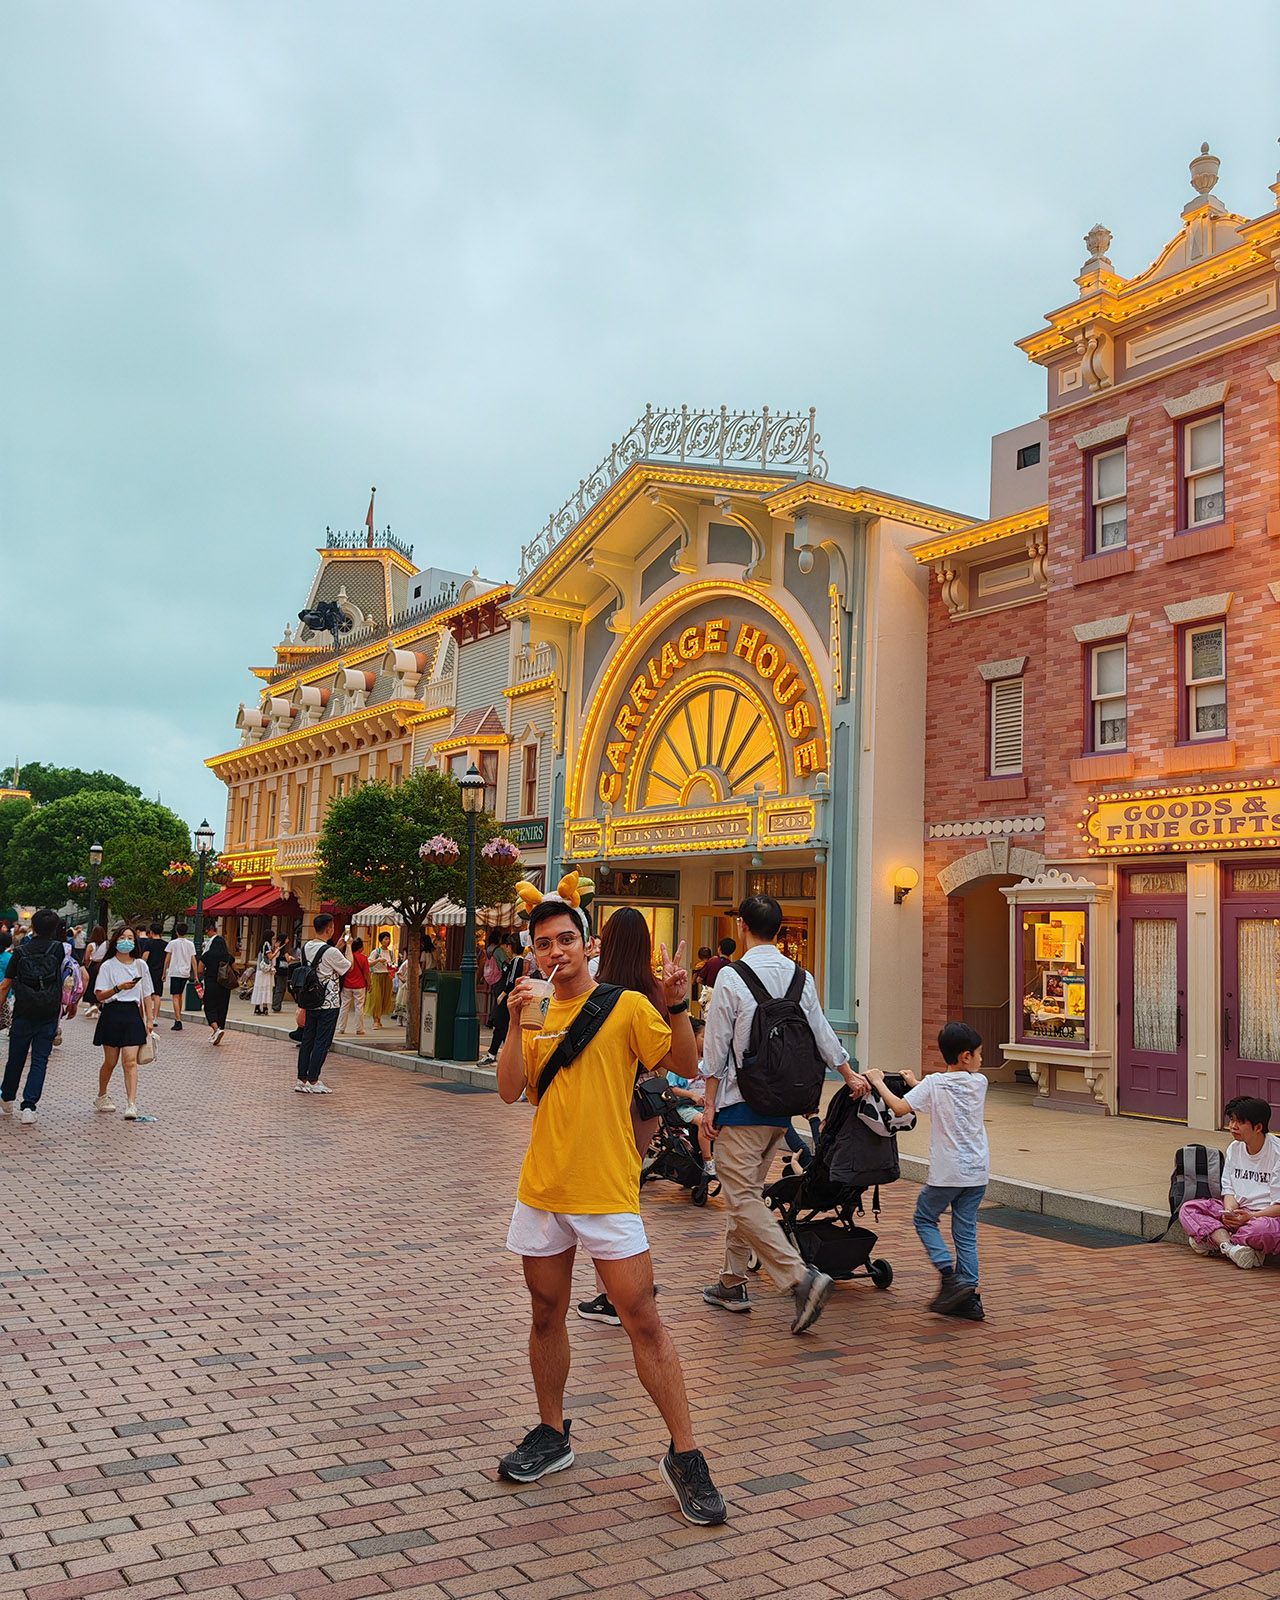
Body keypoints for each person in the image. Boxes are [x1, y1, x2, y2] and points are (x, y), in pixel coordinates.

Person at [494, 896, 724, 1525]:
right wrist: (513, 1023)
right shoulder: (535, 1012)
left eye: (565, 939)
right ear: (534, 951)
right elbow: (512, 1090)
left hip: (606, 1190)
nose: (556, 951)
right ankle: (552, 1432)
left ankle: (685, 1454)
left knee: (643, 1319)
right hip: (544, 1188)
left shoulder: (624, 1006)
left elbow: (683, 1064)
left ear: (585, 943)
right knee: (546, 1313)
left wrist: (677, 1004)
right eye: (544, 943)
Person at [700, 895, 868, 1333]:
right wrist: (847, 1073)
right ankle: (731, 1282)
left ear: (742, 925)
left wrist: (708, 1104)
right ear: (779, 929)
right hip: (781, 1110)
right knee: (747, 1197)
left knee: (741, 1197)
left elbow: (715, 1048)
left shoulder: (732, 977)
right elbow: (822, 1032)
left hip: (740, 1105)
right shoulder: (800, 976)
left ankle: (800, 1279)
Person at [575, 908, 688, 1326]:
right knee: (626, 1193)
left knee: (604, 1199)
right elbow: (676, 1056)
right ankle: (629, 1283)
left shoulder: (595, 987)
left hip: (608, 1101)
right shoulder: (655, 992)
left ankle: (613, 1294)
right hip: (647, 1102)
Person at [866, 1021, 989, 1322]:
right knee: (966, 1233)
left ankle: (949, 1277)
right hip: (977, 1172)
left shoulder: (934, 1084)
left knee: (924, 1218)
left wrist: (878, 1081)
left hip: (948, 1173)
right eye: (979, 1053)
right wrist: (916, 1083)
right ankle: (969, 1297)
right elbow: (947, 1094)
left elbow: (899, 1108)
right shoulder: (979, 1082)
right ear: (965, 1057)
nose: (981, 1059)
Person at [1179, 1097, 1280, 1268]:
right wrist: (1230, 1213)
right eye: (1232, 1120)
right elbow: (1229, 1190)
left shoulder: (1276, 1153)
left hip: (1265, 1217)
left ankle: (1216, 1241)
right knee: (1189, 1209)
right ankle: (1232, 1248)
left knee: (1262, 1231)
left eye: (1240, 1122)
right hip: (1240, 1213)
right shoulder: (1234, 1148)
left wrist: (1250, 1217)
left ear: (1258, 1127)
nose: (1233, 1126)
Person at [0, 908, 73, 1125]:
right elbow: (75, 976)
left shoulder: (20, 952)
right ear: (55, 928)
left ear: (33, 927)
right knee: (40, 1060)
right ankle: (29, 1106)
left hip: (23, 1011)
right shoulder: (60, 949)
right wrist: (71, 1003)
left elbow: (6, 985)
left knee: (16, 1058)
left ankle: (7, 1096)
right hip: (49, 1012)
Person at [92, 926, 155, 1121]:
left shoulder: (140, 965)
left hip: (132, 1014)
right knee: (110, 1061)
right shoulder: (108, 965)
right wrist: (118, 988)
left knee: (130, 1061)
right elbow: (100, 995)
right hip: (112, 1013)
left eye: (130, 938)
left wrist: (150, 1019)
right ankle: (102, 1095)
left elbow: (147, 993)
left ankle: (131, 1103)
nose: (126, 941)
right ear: (115, 941)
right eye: (122, 937)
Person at [296, 914, 351, 1092]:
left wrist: (337, 947)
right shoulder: (331, 952)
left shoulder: (306, 947)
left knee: (308, 1040)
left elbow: (321, 963)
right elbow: (347, 967)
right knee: (322, 1041)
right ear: (329, 929)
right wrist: (348, 946)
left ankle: (302, 1079)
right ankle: (313, 1080)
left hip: (311, 1000)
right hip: (329, 1002)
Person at [480, 935, 523, 1065]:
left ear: (511, 946)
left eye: (508, 945)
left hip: (506, 998)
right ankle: (504, 1055)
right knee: (502, 1027)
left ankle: (494, 1054)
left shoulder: (517, 961)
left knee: (500, 1025)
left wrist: (503, 994)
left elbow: (511, 980)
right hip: (506, 997)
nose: (506, 948)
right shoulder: (514, 961)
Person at [197, 921, 234, 1045]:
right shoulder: (228, 956)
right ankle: (219, 1029)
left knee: (209, 1007)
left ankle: (216, 1029)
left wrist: (207, 973)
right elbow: (234, 969)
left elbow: (200, 969)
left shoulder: (208, 955)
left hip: (211, 983)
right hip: (225, 985)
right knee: (222, 1007)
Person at [162, 922, 197, 1030]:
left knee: (175, 996)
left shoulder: (172, 943)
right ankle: (179, 1015)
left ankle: (178, 1019)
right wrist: (195, 975)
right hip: (185, 972)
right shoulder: (190, 944)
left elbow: (167, 959)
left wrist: (164, 972)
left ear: (177, 932)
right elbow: (193, 960)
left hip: (175, 971)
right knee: (180, 995)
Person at [338, 935, 371, 1035]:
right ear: (360, 948)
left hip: (347, 985)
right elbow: (367, 973)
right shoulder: (363, 958)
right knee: (359, 1007)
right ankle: (359, 1029)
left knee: (344, 1006)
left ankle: (341, 1028)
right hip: (360, 985)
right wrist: (369, 984)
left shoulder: (346, 957)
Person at [139, 923, 168, 1030]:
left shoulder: (148, 943)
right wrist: (164, 972)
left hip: (149, 971)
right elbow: (167, 959)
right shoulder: (165, 944)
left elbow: (145, 956)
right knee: (157, 995)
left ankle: (146, 1015)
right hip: (159, 971)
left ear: (151, 932)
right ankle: (155, 1017)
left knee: (146, 994)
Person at [365, 931, 395, 1029]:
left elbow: (393, 964)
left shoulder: (391, 953)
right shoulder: (376, 952)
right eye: (385, 939)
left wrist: (392, 968)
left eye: (389, 939)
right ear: (381, 940)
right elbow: (368, 964)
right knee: (376, 998)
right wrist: (378, 960)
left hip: (387, 977)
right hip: (377, 976)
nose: (388, 941)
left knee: (383, 998)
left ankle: (379, 1019)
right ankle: (375, 1020)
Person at [84, 924, 108, 1017]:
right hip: (103, 965)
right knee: (101, 985)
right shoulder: (107, 944)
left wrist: (87, 965)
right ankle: (98, 1006)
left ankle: (92, 1005)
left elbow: (86, 958)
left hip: (93, 965)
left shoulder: (91, 945)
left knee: (91, 984)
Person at [251, 931, 275, 1015]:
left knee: (259, 988)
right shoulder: (267, 944)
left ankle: (257, 1007)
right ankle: (265, 1007)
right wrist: (277, 950)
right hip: (265, 970)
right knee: (266, 988)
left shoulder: (261, 945)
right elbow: (270, 957)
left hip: (260, 970)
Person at [272, 936, 295, 1012]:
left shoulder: (277, 948)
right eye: (287, 938)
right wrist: (290, 957)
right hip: (282, 971)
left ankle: (275, 1004)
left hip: (277, 969)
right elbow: (287, 959)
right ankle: (276, 1006)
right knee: (280, 988)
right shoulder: (283, 949)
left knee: (277, 988)